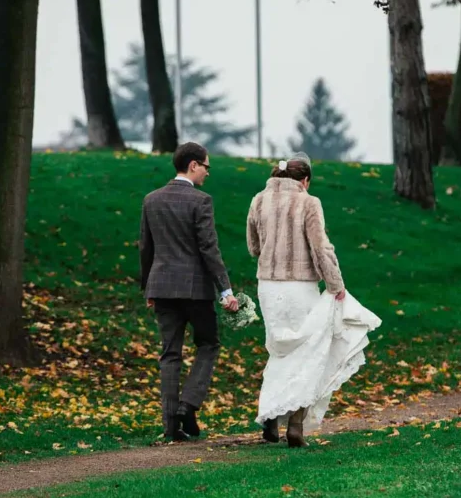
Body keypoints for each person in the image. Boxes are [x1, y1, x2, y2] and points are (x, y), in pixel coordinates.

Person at [246, 152, 381, 447]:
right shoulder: (308, 202)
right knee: (307, 352)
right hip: (300, 286)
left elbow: (253, 247)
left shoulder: (258, 200)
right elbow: (321, 248)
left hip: (267, 286)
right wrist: (336, 284)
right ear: (305, 180)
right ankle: (295, 426)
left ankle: (270, 417)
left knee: (279, 349)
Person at [140, 142, 239, 442]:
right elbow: (209, 248)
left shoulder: (151, 200)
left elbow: (146, 247)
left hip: (161, 287)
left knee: (169, 354)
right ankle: (189, 404)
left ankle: (171, 427)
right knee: (208, 344)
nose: (208, 172)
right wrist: (226, 290)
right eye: (206, 166)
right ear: (193, 165)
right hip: (195, 289)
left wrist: (148, 287)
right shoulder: (201, 201)